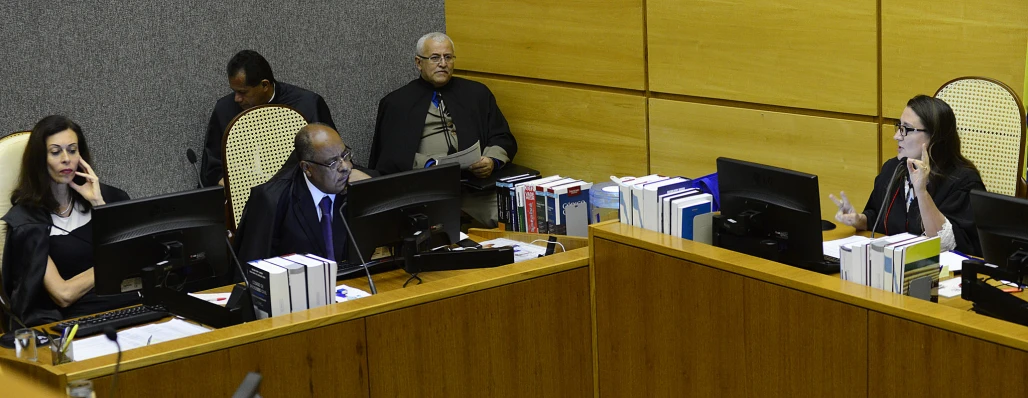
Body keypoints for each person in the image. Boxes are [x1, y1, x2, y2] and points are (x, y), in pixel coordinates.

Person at [1, 116, 138, 327]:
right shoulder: (27, 223)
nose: (66, 159)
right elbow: (63, 294)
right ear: (40, 159)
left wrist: (99, 205)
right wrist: (115, 260)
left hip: (131, 307)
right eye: (55, 152)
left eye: (72, 150)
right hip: (75, 324)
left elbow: (140, 261)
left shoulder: (111, 199)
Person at [369, 32, 518, 226]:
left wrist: (491, 160)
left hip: (476, 188)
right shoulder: (397, 103)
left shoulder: (477, 94)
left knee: (511, 215)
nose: (443, 63)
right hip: (425, 191)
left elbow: (502, 136)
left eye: (448, 57)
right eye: (434, 58)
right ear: (418, 62)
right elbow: (390, 157)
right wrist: (430, 165)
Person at [830, 95, 985, 255]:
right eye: (899, 126)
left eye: (906, 129)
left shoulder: (963, 182)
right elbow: (878, 218)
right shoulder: (893, 169)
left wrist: (921, 192)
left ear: (935, 137)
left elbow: (947, 245)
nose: (897, 136)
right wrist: (859, 220)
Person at [201, 50, 338, 187]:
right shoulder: (224, 109)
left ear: (265, 85)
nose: (237, 99)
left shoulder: (307, 105)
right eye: (234, 91)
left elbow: (332, 156)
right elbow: (212, 168)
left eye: (243, 92)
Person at [234, 123, 352, 264]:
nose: (345, 167)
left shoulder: (357, 189)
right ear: (307, 168)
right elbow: (252, 269)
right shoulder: (273, 200)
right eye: (333, 163)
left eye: (345, 155)